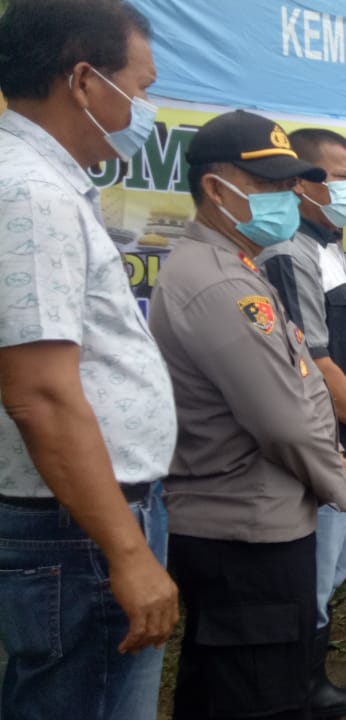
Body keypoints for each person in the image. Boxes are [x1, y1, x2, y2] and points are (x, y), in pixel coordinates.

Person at [150, 109, 346, 720]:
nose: (289, 196)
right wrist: (335, 478)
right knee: (257, 694)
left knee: (226, 687)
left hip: (248, 519)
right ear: (216, 190)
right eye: (270, 185)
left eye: (291, 183)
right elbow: (283, 421)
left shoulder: (235, 267)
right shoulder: (221, 285)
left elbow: (296, 385)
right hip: (245, 529)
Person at [0, 3, 179, 718]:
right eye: (142, 86)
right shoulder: (32, 194)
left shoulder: (49, 183)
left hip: (84, 517)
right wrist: (127, 554)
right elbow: (39, 394)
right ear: (83, 81)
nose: (147, 109)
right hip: (79, 529)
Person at [254, 127, 346, 717]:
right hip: (327, 442)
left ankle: (310, 680)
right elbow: (313, 360)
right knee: (312, 577)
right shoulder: (289, 254)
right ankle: (299, 691)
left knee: (333, 570)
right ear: (301, 184)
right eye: (340, 177)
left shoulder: (331, 246)